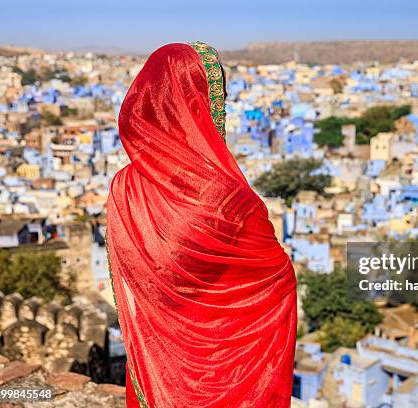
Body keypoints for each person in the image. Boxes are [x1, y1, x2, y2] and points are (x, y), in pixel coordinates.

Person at [106, 42, 297, 408]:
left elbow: (143, 285)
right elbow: (275, 277)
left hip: (157, 367)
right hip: (228, 377)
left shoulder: (124, 187)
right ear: (198, 106)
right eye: (217, 98)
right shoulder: (226, 196)